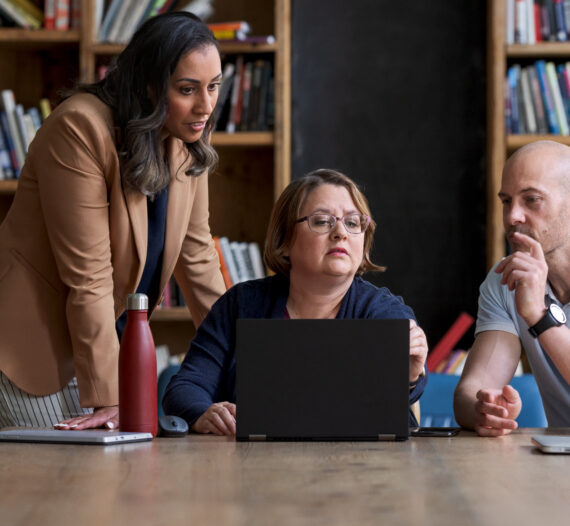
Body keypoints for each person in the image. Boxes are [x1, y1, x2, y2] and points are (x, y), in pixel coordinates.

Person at [0, 12, 226, 430]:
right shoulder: (79, 127)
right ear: (148, 85)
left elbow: (199, 264)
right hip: (30, 350)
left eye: (213, 87)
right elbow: (88, 276)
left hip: (105, 346)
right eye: (187, 89)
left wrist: (245, 373)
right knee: (74, 482)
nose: (206, 106)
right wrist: (110, 397)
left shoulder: (183, 137)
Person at [163, 169, 428, 435]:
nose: (340, 233)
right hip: (255, 469)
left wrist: (408, 377)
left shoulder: (384, 310)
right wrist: (204, 414)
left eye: (353, 222)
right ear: (285, 239)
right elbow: (185, 389)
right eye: (323, 221)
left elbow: (397, 404)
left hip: (364, 470)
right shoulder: (241, 305)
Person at [454, 141, 570, 436]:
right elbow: (473, 388)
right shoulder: (507, 278)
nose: (511, 217)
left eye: (531, 200)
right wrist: (485, 410)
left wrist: (539, 316)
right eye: (506, 201)